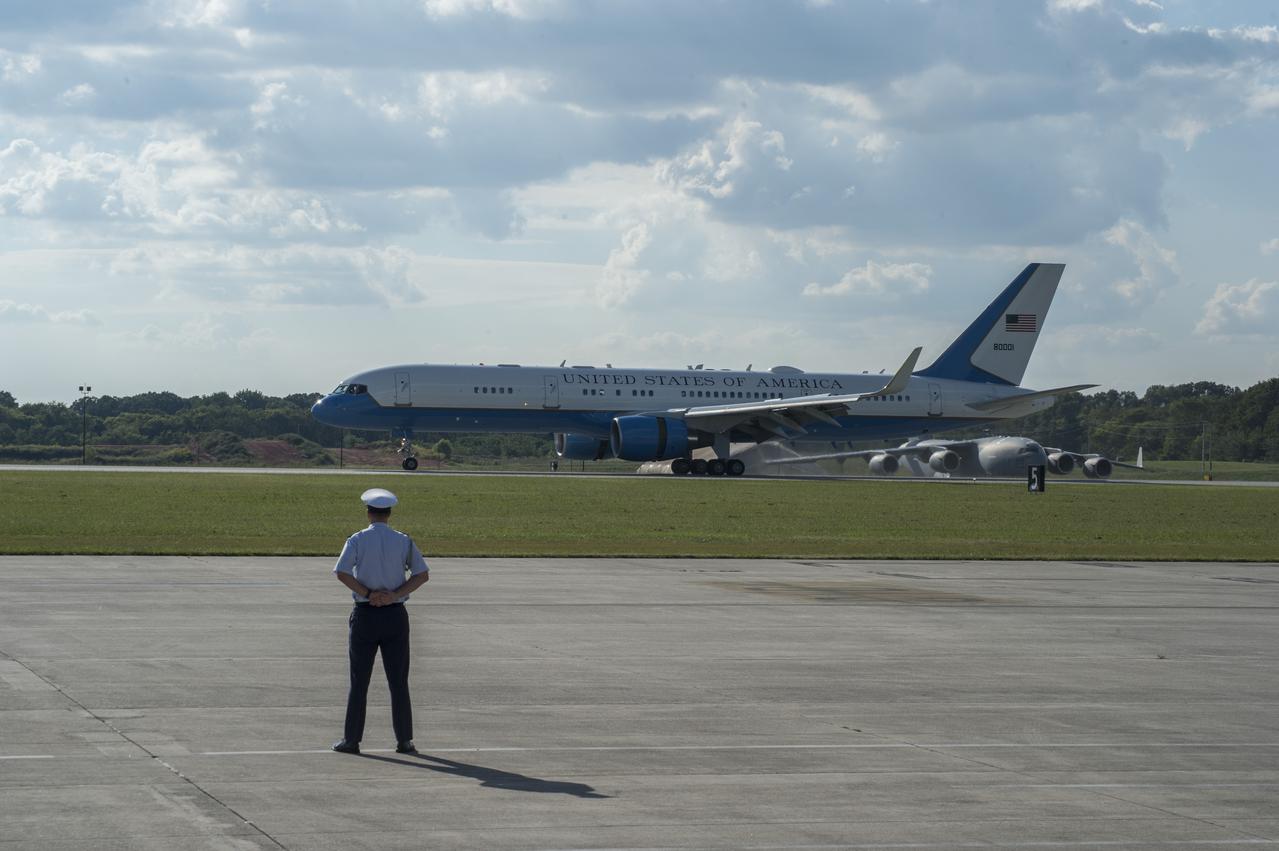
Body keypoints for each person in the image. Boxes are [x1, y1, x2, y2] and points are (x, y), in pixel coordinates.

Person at [331, 488, 430, 756]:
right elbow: (421, 574)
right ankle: (405, 740)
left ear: (368, 512)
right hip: (395, 615)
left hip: (365, 615)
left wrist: (368, 594)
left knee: (359, 680)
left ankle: (352, 740)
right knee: (398, 680)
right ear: (389, 513)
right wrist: (394, 595)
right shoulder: (404, 541)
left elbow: (341, 572)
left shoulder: (358, 540)